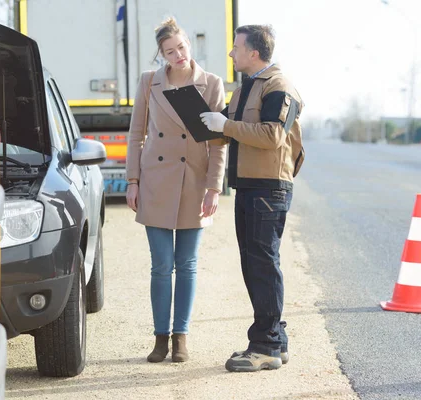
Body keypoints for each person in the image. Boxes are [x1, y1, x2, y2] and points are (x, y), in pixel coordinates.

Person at [200, 24, 305, 373]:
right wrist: (205, 124)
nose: (231, 53)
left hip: (268, 188)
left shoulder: (278, 86)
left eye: (236, 47)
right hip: (248, 186)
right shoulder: (246, 88)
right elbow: (231, 132)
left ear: (254, 53)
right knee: (253, 263)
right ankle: (275, 339)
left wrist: (224, 126)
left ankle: (266, 346)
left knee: (262, 264)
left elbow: (273, 135)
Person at [125, 17, 227, 363]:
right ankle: (160, 337)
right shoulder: (149, 83)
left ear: (188, 44)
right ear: (162, 55)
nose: (178, 55)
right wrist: (132, 180)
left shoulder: (211, 84)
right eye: (170, 51)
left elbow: (217, 142)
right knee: (160, 264)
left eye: (181, 47)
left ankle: (181, 336)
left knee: (186, 264)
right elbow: (136, 134)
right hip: (155, 181)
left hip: (194, 183)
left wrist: (214, 187)